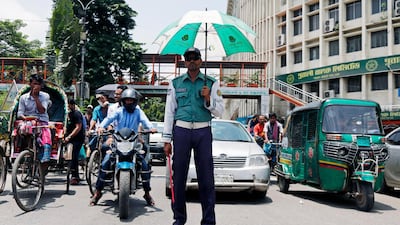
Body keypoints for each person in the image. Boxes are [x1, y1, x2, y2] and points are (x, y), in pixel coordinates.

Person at [162, 47, 224, 225]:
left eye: (195, 58)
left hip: (203, 131)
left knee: (206, 178)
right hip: (181, 131)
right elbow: (169, 112)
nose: (191, 61)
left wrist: (208, 100)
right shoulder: (175, 83)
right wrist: (167, 140)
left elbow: (220, 111)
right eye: (188, 58)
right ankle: (179, 219)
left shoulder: (211, 83)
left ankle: (208, 220)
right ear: (184, 62)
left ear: (200, 61)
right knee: (178, 177)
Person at [89, 88, 157, 206]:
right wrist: (101, 127)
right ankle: (98, 192)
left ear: (135, 101)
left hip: (133, 142)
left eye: (131, 100)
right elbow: (108, 119)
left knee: (145, 166)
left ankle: (147, 193)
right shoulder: (118, 111)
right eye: (127, 100)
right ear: (123, 101)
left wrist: (151, 128)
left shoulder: (138, 112)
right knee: (105, 162)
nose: (129, 103)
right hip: (118, 141)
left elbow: (146, 121)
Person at [17, 74, 52, 163]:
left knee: (46, 143)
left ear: (41, 86)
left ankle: (44, 160)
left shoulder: (45, 96)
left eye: (38, 84)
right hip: (28, 122)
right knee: (20, 129)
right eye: (34, 83)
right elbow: (20, 113)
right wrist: (25, 118)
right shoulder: (23, 98)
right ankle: (21, 150)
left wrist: (36, 97)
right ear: (30, 84)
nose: (36, 86)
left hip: (42, 122)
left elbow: (42, 111)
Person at [64, 99, 85, 185]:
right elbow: (66, 125)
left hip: (77, 138)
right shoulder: (68, 114)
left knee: (74, 156)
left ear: (72, 105)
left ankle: (75, 176)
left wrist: (70, 136)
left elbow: (78, 127)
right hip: (69, 137)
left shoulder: (77, 114)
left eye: (69, 105)